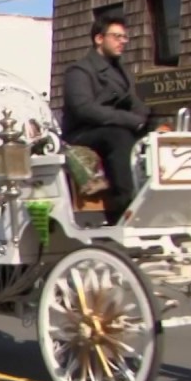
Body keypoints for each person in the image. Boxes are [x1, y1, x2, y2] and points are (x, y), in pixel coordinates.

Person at [61, 13, 151, 224]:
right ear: (99, 39)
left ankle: (155, 194)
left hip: (114, 126)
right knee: (118, 136)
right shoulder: (80, 71)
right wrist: (128, 120)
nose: (123, 42)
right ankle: (123, 203)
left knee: (158, 132)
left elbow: (134, 103)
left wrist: (145, 122)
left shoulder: (121, 71)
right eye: (117, 36)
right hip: (82, 133)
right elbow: (84, 109)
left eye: (124, 37)